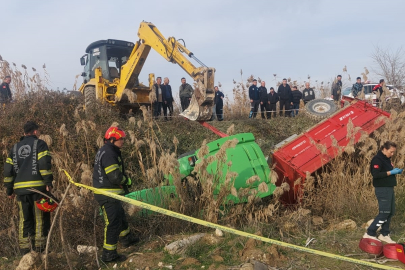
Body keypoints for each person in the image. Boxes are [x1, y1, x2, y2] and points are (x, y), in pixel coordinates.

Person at [3, 121, 53, 254]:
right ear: (35, 131)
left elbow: (8, 170)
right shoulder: (40, 144)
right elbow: (44, 164)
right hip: (38, 189)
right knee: (40, 219)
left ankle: (25, 251)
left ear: (24, 132)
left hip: (20, 192)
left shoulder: (14, 148)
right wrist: (48, 182)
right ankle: (40, 251)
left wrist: (9, 189)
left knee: (25, 220)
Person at [93, 127, 139, 262]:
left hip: (110, 193)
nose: (123, 141)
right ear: (112, 140)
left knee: (120, 216)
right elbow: (114, 176)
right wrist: (127, 181)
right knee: (112, 223)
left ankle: (126, 239)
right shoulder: (109, 153)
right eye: (121, 139)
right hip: (108, 194)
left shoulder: (107, 150)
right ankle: (109, 254)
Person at [364, 141, 403, 244]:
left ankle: (384, 234)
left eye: (394, 152)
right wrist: (391, 172)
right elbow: (376, 174)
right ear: (384, 149)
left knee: (391, 212)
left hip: (389, 188)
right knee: (384, 213)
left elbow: (386, 172)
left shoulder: (387, 159)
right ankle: (370, 233)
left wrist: (396, 171)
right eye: (391, 152)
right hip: (382, 189)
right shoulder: (377, 159)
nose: (392, 154)